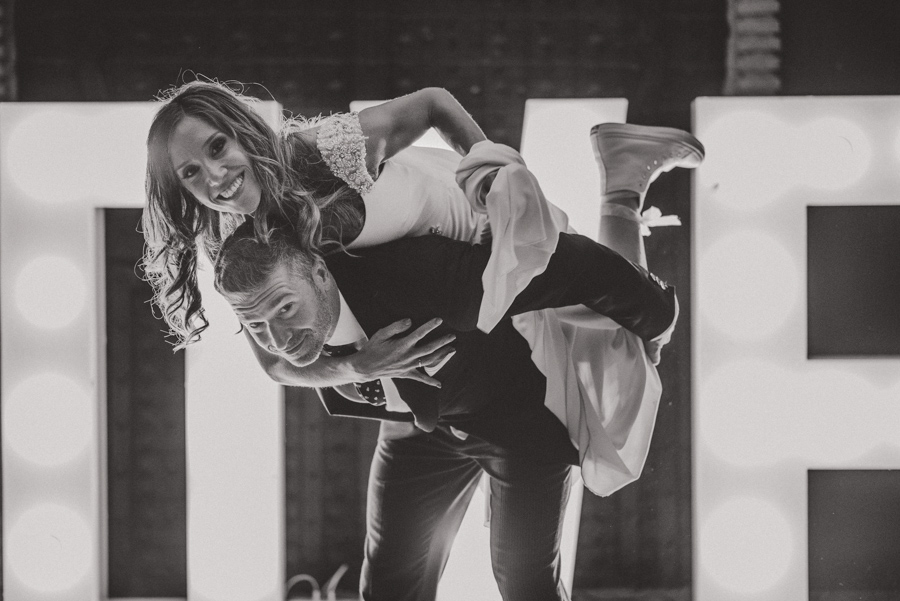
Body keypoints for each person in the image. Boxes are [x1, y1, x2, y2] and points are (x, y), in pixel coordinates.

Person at [211, 126, 702, 600]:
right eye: (257, 326)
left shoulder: (430, 283)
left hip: (519, 420)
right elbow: (276, 364)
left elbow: (577, 266)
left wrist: (657, 323)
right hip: (423, 426)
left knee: (526, 584)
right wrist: (358, 366)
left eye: (284, 309)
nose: (277, 337)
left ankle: (622, 185)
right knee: (387, 586)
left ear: (320, 272)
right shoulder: (274, 299)